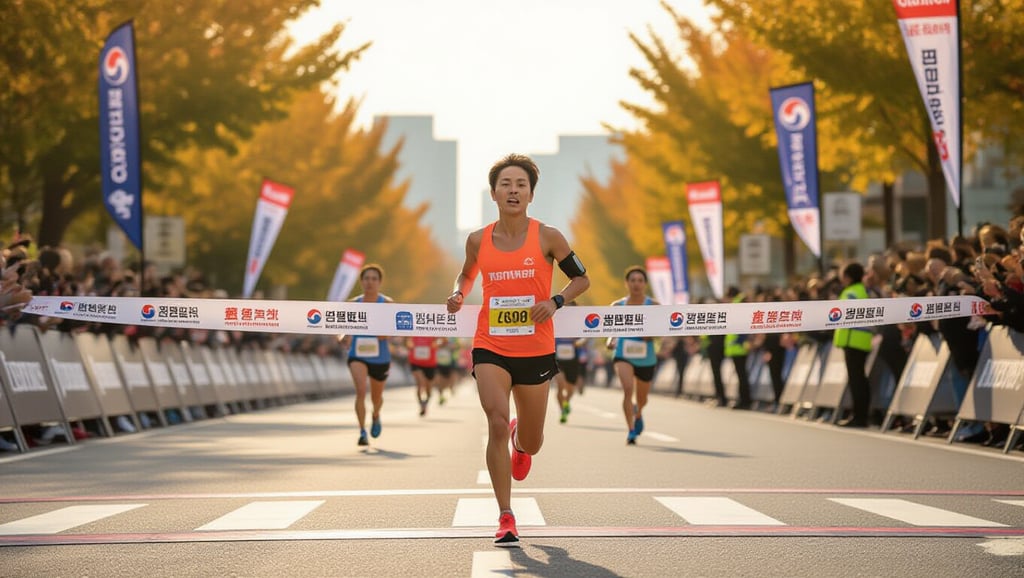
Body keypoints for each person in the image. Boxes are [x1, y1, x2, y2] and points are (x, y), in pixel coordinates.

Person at [446, 154, 590, 547]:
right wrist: (459, 291)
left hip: (536, 348)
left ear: (530, 194)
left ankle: (520, 442)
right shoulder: (478, 239)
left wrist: (556, 301)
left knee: (534, 440)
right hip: (490, 344)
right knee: (494, 418)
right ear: (493, 193)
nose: (513, 190)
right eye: (506, 184)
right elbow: (467, 271)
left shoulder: (548, 236)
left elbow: (581, 278)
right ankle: (506, 515)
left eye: (521, 185)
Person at [342, 264, 393, 446]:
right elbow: (338, 328)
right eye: (366, 279)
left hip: (380, 357)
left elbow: (392, 330)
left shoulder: (387, 304)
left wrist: (383, 333)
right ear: (361, 281)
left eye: (374, 279)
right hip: (357, 354)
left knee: (376, 398)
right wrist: (343, 337)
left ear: (380, 282)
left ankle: (376, 414)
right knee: (361, 391)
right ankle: (362, 431)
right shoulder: (351, 304)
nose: (369, 282)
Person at [609, 266, 659, 445]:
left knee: (642, 398)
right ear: (627, 283)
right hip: (623, 352)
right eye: (633, 280)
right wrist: (610, 341)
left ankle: (638, 413)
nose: (636, 284)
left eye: (640, 280)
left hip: (646, 356)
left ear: (645, 284)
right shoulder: (617, 306)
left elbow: (663, 328)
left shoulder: (653, 305)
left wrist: (651, 335)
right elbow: (610, 329)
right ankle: (630, 429)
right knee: (628, 389)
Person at [833, 262, 874, 428]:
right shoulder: (864, 291)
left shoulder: (850, 293)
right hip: (863, 339)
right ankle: (861, 415)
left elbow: (840, 316)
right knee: (861, 379)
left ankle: (859, 417)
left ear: (848, 277)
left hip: (852, 339)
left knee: (856, 380)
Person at [553, 304, 585, 424]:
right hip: (558, 360)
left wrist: (579, 342)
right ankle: (562, 411)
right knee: (560, 385)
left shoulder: (578, 325)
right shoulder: (555, 323)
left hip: (572, 361)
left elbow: (584, 338)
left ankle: (566, 401)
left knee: (570, 389)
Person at [407, 336, 441, 416]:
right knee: (420, 383)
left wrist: (437, 344)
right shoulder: (414, 331)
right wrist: (408, 344)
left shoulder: (433, 332)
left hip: (430, 364)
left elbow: (444, 340)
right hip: (415, 363)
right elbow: (406, 341)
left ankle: (425, 403)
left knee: (428, 389)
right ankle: (421, 404)